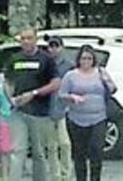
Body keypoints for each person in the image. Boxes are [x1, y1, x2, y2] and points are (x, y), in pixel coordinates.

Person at [3, 28, 61, 181]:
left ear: (35, 39)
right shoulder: (14, 59)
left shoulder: (46, 59)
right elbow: (8, 82)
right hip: (18, 111)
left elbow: (56, 83)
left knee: (38, 152)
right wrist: (11, 99)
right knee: (17, 150)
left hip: (39, 112)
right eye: (23, 38)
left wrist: (34, 93)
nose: (26, 41)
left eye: (29, 38)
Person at [57, 46, 115, 181]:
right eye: (83, 58)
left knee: (97, 153)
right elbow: (62, 94)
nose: (86, 61)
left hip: (98, 118)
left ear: (93, 60)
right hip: (76, 119)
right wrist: (72, 97)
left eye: (89, 58)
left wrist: (107, 81)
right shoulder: (71, 75)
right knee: (79, 155)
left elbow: (112, 89)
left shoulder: (100, 73)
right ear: (79, 60)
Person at [46, 38, 73, 181]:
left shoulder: (68, 66)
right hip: (47, 108)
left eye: (56, 46)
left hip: (64, 108)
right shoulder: (45, 64)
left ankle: (66, 173)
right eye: (51, 46)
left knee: (65, 143)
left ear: (62, 47)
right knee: (51, 145)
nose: (53, 49)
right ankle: (54, 175)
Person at [0, 78, 16, 181]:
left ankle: (14, 174)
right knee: (5, 150)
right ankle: (5, 176)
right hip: (5, 120)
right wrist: (0, 120)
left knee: (16, 149)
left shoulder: (19, 86)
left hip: (17, 120)